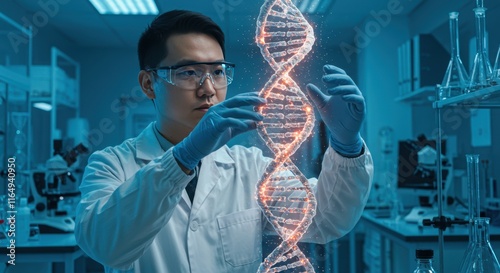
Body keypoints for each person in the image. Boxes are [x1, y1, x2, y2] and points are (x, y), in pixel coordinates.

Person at [75, 9, 373, 273]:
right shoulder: (111, 165)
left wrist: (346, 145)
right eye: (188, 72)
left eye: (217, 72)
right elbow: (105, 246)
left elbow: (327, 218)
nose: (207, 89)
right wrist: (183, 158)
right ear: (148, 84)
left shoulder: (251, 168)